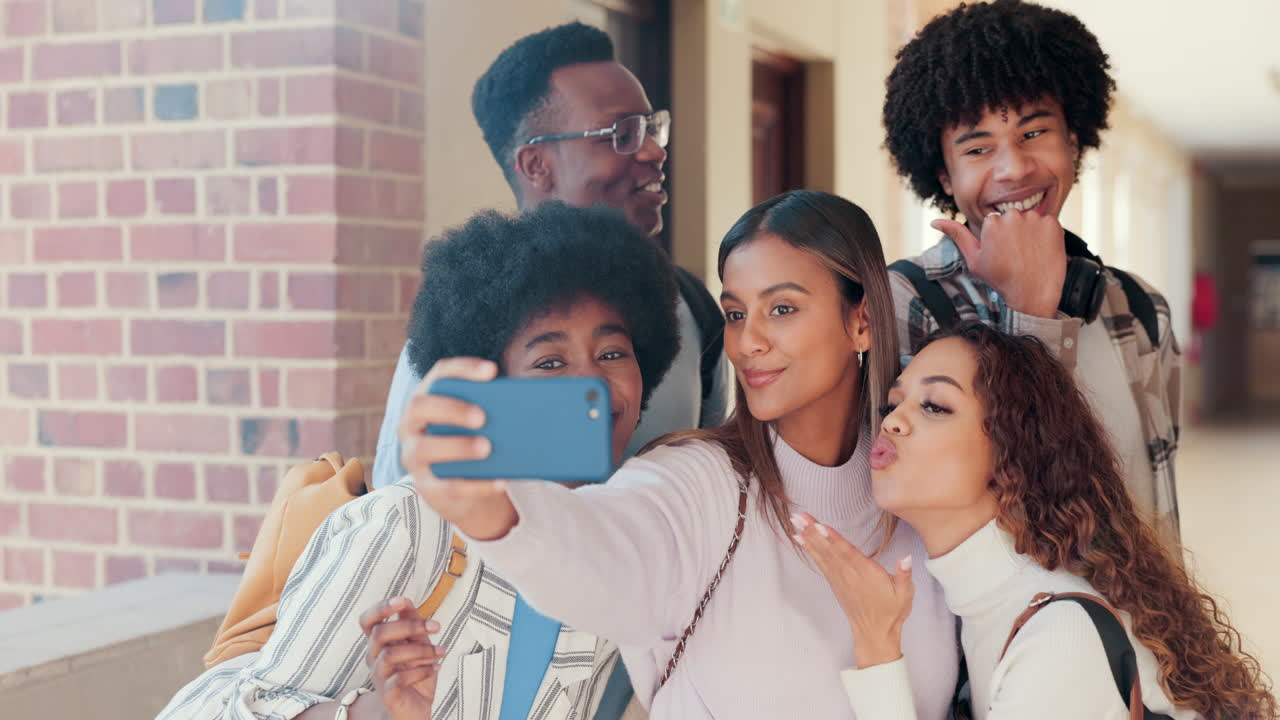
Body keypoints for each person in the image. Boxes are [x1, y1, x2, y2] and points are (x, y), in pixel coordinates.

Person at [402, 191, 958, 719]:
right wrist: (496, 513)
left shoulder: (925, 498)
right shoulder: (699, 482)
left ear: (862, 321)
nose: (748, 342)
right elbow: (605, 551)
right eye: (735, 314)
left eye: (782, 308)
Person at [155, 203, 681, 720]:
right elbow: (243, 708)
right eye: (549, 362)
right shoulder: (408, 524)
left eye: (612, 354)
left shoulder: (614, 545)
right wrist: (375, 715)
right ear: (488, 387)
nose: (591, 383)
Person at [794, 324, 1275, 719]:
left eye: (935, 406)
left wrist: (877, 644)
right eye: (891, 404)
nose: (892, 421)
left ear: (1014, 453)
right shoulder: (988, 607)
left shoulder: (1059, 636)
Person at [372, 22, 730, 490]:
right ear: (536, 165)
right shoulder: (464, 327)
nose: (652, 151)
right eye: (621, 133)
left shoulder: (693, 308)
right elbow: (406, 500)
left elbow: (712, 483)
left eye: (650, 128)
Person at [881, 0, 1182, 547]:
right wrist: (1031, 315)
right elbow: (1003, 498)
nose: (1014, 168)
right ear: (945, 176)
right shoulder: (901, 303)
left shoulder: (1141, 307)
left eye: (1034, 133)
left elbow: (1156, 507)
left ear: (1073, 142)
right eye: (978, 148)